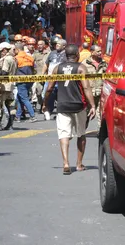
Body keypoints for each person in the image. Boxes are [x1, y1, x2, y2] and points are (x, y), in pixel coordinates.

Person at [42, 44, 96, 175]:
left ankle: (66, 163)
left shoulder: (57, 68)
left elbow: (49, 88)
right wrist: (92, 105)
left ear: (65, 55)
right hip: (78, 106)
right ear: (77, 55)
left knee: (63, 134)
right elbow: (86, 88)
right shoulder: (81, 68)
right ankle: (78, 164)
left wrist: (45, 103)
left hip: (62, 106)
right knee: (81, 134)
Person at [83, 45, 107, 128]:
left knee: (101, 115)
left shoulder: (104, 63)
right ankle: (82, 132)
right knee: (86, 114)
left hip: (101, 93)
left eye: (101, 51)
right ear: (92, 52)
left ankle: (101, 133)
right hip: (89, 95)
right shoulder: (84, 63)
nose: (100, 53)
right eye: (98, 51)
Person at [42, 37, 67, 115]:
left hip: (61, 80)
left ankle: (60, 112)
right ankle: (48, 110)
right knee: (46, 94)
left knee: (60, 96)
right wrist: (43, 74)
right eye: (57, 44)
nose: (57, 45)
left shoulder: (66, 54)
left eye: (59, 44)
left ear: (64, 46)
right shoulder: (52, 53)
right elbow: (46, 64)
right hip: (49, 78)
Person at [14, 43, 37, 123]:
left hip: (21, 81)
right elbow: (35, 69)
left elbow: (14, 70)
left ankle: (32, 116)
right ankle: (18, 116)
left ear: (17, 50)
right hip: (30, 80)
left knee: (24, 98)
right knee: (20, 98)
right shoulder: (30, 58)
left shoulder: (16, 58)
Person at [0, 42, 17, 130]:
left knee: (0, 104)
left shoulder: (6, 59)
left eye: (1, 51)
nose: (0, 53)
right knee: (11, 104)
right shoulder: (13, 58)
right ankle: (11, 124)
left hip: (4, 85)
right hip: (11, 84)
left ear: (4, 50)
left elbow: (4, 72)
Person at [32, 39, 50, 112]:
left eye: (41, 44)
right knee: (39, 92)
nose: (39, 46)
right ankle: (41, 103)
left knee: (46, 92)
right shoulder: (35, 54)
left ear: (44, 45)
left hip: (47, 76)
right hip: (38, 76)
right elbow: (32, 64)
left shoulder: (48, 54)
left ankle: (45, 106)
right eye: (38, 44)